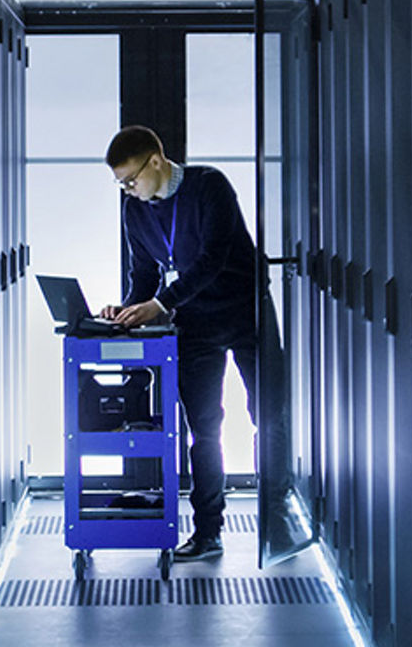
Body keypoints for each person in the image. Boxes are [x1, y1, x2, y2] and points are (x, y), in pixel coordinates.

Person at [99, 125, 285, 562]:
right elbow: (143, 275)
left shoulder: (209, 186)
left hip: (246, 312)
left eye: (131, 180)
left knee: (269, 415)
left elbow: (212, 259)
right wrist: (128, 313)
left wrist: (160, 303)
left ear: (157, 163)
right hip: (196, 323)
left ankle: (276, 516)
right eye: (121, 185)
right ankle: (208, 532)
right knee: (204, 429)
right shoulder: (136, 211)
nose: (128, 191)